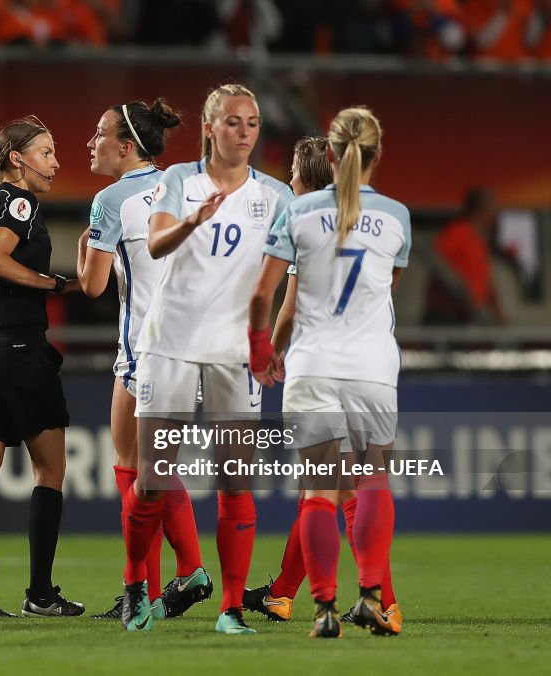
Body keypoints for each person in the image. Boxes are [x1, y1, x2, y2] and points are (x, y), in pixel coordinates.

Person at [125, 83, 294, 635]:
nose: (244, 133)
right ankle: (135, 589)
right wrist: (193, 221)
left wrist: (270, 343)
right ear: (209, 127)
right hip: (170, 343)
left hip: (232, 353)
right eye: (232, 122)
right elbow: (154, 245)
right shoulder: (178, 181)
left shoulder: (275, 197)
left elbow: (284, 280)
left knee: (235, 483)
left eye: (252, 123)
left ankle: (230, 608)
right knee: (153, 480)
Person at [248, 106, 410, 638]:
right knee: (371, 481)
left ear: (332, 154)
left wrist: (261, 348)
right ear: (379, 155)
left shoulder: (297, 213)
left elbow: (265, 294)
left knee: (319, 489)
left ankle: (323, 610)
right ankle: (374, 599)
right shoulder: (397, 217)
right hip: (371, 365)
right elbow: (385, 286)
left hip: (314, 364)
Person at [75, 98, 211, 628]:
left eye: (99, 132)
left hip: (143, 350)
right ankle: (191, 572)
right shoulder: (186, 186)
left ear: (125, 145)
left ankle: (144, 593)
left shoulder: (111, 200)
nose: (92, 141)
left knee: (133, 472)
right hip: (193, 347)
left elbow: (92, 285)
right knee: (161, 470)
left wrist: (84, 246)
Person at [0, 115, 84, 619]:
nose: (55, 162)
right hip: (19, 352)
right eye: (46, 153)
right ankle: (41, 594)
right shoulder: (18, 203)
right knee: (50, 469)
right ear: (17, 159)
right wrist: (53, 283)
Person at [423, 187, 503, 325]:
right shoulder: (458, 232)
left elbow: (483, 284)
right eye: (492, 206)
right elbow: (439, 265)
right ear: (480, 208)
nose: (496, 213)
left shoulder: (479, 241)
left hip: (466, 316)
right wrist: (462, 291)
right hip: (446, 314)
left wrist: (495, 313)